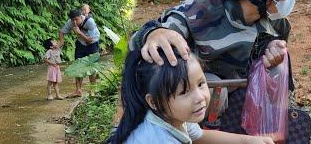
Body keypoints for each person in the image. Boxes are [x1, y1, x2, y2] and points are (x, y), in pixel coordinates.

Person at [129, 0, 311, 132]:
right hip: (201, 103)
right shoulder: (199, 12)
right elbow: (139, 43)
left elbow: (269, 54)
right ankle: (195, 135)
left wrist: (271, 51)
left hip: (242, 95)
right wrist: (154, 33)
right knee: (213, 91)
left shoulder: (275, 20)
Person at [109, 49, 274, 144]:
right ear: (154, 102)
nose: (200, 97)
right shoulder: (159, 139)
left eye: (201, 84)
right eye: (183, 92)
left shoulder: (173, 116)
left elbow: (200, 135)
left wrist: (248, 141)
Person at [59, 9, 100, 97]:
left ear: (81, 17)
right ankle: (78, 90)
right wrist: (61, 42)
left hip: (92, 43)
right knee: (78, 65)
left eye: (76, 19)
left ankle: (93, 90)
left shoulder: (90, 22)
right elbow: (62, 31)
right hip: (81, 44)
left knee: (91, 66)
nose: (75, 22)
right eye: (73, 20)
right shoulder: (71, 22)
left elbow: (89, 40)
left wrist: (79, 33)